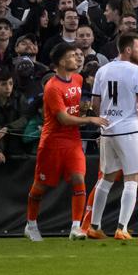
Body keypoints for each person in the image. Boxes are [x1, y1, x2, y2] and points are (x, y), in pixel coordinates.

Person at [25, 42, 104, 242]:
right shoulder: (52, 87)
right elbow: (63, 118)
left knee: (79, 178)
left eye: (78, 55)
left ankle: (76, 227)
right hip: (53, 142)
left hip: (73, 140)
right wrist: (89, 119)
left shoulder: (77, 79)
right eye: (72, 55)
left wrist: (85, 110)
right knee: (40, 186)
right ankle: (31, 224)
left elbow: (73, 110)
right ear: (61, 61)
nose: (77, 58)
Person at [88, 34, 138, 240]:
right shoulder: (136, 70)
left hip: (107, 129)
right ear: (128, 50)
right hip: (129, 128)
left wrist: (104, 119)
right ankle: (122, 228)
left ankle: (94, 225)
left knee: (107, 178)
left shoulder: (103, 70)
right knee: (132, 177)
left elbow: (95, 103)